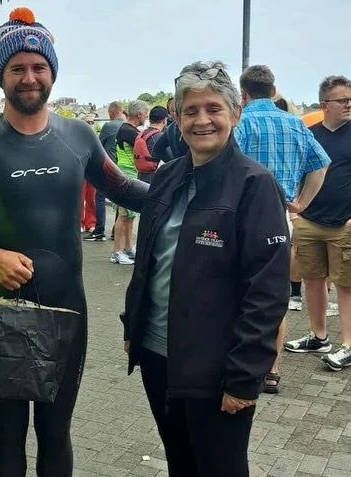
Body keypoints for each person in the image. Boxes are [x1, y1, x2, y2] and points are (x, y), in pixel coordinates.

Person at [0, 7, 148, 477]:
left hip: (66, 305)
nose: (29, 77)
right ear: (1, 77)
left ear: (52, 73)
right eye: (17, 68)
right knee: (8, 433)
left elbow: (122, 188)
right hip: (2, 306)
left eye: (39, 67)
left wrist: (184, 189)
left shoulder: (79, 136)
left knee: (56, 432)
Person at [122, 60, 289, 477]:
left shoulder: (255, 185)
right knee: (180, 463)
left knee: (220, 468)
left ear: (235, 113)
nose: (202, 120)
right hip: (159, 355)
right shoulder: (168, 177)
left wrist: (245, 376)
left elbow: (267, 292)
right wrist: (133, 325)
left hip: (216, 366)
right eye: (191, 111)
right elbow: (148, 260)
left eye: (213, 108)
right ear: (177, 119)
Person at [234, 65, 330, 393]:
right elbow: (321, 166)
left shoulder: (241, 123)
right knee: (273, 296)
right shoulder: (296, 124)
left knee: (236, 292)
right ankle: (272, 370)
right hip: (279, 218)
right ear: (274, 91)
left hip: (241, 217)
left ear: (243, 94)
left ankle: (239, 364)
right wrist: (301, 203)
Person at [284, 76, 351, 372]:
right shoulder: (309, 134)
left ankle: (349, 345)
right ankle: (319, 337)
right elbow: (296, 173)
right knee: (312, 281)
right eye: (343, 100)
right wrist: (295, 213)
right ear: (325, 104)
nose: (350, 105)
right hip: (309, 221)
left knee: (347, 284)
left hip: (347, 224)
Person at [111, 101, 148, 264]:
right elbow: (146, 153)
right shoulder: (131, 132)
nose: (146, 116)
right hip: (126, 175)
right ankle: (116, 252)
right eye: (145, 113)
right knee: (124, 214)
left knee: (130, 214)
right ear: (139, 114)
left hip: (129, 173)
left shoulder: (125, 129)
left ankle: (128, 247)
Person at [84, 101, 127, 242]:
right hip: (124, 168)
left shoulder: (109, 126)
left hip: (109, 168)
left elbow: (96, 145)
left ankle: (99, 231)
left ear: (112, 112)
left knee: (100, 198)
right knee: (121, 201)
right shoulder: (128, 126)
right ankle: (116, 231)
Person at [135, 105, 168, 183]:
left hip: (140, 177)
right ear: (164, 120)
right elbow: (171, 158)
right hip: (154, 179)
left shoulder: (141, 134)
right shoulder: (160, 137)